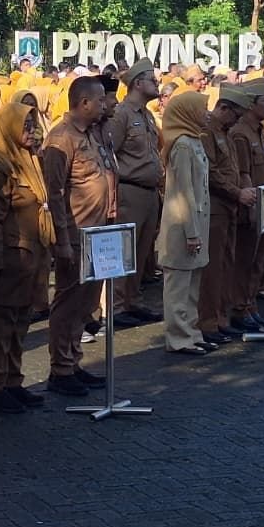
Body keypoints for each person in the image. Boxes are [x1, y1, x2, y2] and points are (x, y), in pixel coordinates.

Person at [0, 103, 51, 414]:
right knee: (2, 324)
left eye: (34, 125)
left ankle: (13, 382)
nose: (32, 132)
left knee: (21, 321)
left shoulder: (29, 161)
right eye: (25, 126)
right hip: (9, 257)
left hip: (30, 256)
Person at [42, 77, 111, 397]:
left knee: (85, 302)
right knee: (68, 301)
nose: (104, 105)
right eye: (99, 100)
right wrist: (63, 239)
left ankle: (73, 361)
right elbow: (54, 193)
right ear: (83, 103)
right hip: (76, 234)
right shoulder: (61, 139)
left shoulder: (92, 134)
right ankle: (60, 368)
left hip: (97, 234)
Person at [107, 59, 164, 327]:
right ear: (138, 84)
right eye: (152, 80)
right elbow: (109, 155)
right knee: (125, 250)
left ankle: (133, 300)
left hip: (149, 192)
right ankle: (117, 307)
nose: (157, 84)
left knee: (141, 251)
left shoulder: (147, 115)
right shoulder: (122, 115)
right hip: (129, 191)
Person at [156, 92, 212, 355]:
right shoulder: (181, 146)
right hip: (182, 226)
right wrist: (191, 232)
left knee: (193, 284)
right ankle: (178, 337)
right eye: (203, 109)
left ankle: (191, 332)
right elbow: (184, 192)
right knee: (178, 284)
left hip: (196, 223)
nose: (207, 114)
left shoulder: (194, 140)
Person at [198, 85, 254, 342]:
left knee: (226, 264)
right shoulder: (206, 132)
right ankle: (208, 322)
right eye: (236, 115)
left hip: (229, 206)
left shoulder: (226, 133)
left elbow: (232, 168)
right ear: (223, 108)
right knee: (213, 268)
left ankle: (221, 316)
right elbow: (210, 173)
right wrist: (236, 192)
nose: (238, 121)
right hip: (215, 207)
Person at [229, 79, 264, 332]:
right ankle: (239, 306)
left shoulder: (260, 130)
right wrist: (251, 207)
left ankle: (250, 304)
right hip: (251, 207)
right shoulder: (240, 133)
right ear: (251, 104)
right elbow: (244, 173)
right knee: (245, 259)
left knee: (259, 259)